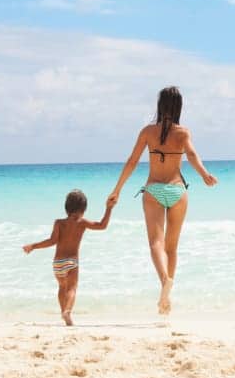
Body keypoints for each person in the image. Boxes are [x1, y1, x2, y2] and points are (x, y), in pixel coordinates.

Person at [108, 86, 217, 315]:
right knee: (172, 247)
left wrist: (117, 189)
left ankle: (164, 281)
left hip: (154, 190)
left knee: (156, 243)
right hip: (178, 190)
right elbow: (193, 156)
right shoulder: (183, 133)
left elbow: (132, 161)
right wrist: (205, 175)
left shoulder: (147, 131)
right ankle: (167, 299)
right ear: (179, 107)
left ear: (159, 105)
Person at [23, 189, 114, 326]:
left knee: (61, 286)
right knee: (72, 288)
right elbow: (102, 225)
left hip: (58, 262)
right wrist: (108, 208)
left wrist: (33, 246)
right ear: (84, 208)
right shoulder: (82, 222)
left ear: (66, 208)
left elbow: (52, 241)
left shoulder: (59, 223)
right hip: (72, 261)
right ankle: (67, 311)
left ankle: (62, 311)